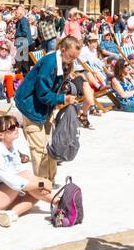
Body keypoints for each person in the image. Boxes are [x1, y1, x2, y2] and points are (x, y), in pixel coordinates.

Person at [10, 36, 84, 183]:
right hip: (31, 107)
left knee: (49, 147)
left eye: (75, 58)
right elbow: (42, 93)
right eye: (70, 56)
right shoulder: (50, 63)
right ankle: (42, 184)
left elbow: (53, 88)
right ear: (62, 49)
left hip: (44, 108)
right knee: (39, 150)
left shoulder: (63, 62)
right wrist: (63, 99)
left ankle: (50, 180)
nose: (71, 61)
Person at [0, 115, 56, 227]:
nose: (16, 128)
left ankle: (10, 214)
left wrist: (40, 182)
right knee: (30, 183)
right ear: (0, 135)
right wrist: (41, 183)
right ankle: (59, 202)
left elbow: (20, 172)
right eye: (11, 127)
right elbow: (15, 181)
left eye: (16, 125)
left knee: (34, 192)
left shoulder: (11, 148)